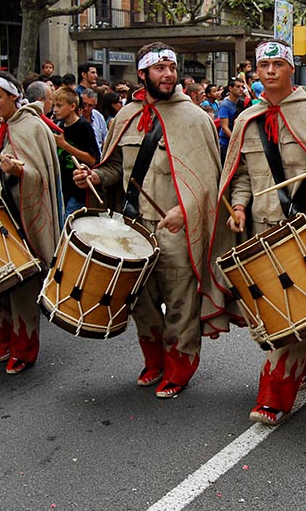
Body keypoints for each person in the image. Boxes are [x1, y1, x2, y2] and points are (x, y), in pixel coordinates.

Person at [209, 39, 306, 426]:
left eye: (279, 64)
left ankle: (273, 395)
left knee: (293, 316)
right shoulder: (246, 119)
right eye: (264, 65)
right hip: (260, 232)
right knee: (276, 315)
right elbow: (240, 176)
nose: (271, 71)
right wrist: (239, 206)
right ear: (255, 73)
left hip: (304, 231)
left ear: (292, 69)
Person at [75, 43, 220, 398]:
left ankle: (179, 367)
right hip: (133, 225)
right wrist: (94, 178)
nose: (168, 74)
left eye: (172, 67)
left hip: (176, 228)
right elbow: (113, 168)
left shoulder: (195, 118)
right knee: (141, 301)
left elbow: (207, 180)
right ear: (143, 74)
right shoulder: (124, 117)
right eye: (160, 69)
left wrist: (183, 210)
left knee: (181, 303)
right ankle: (154, 361)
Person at [0, 71, 61, 374]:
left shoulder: (33, 128)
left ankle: (24, 349)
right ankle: (4, 341)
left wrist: (20, 173)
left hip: (20, 221)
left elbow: (42, 179)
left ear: (14, 96)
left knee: (22, 290)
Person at [52, 86, 100, 217]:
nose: (55, 109)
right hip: (63, 188)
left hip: (79, 191)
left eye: (59, 105)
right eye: (54, 105)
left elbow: (92, 159)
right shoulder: (59, 126)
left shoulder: (83, 126)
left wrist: (65, 145)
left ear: (72, 106)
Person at [217, 77, 246, 163]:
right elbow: (224, 127)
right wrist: (235, 140)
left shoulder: (240, 103)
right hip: (226, 144)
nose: (241, 89)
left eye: (242, 87)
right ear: (230, 88)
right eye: (238, 87)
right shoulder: (225, 105)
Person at [80, 88, 107, 152]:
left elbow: (105, 137)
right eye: (84, 104)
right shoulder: (76, 117)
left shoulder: (99, 116)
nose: (86, 108)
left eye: (90, 105)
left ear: (95, 105)